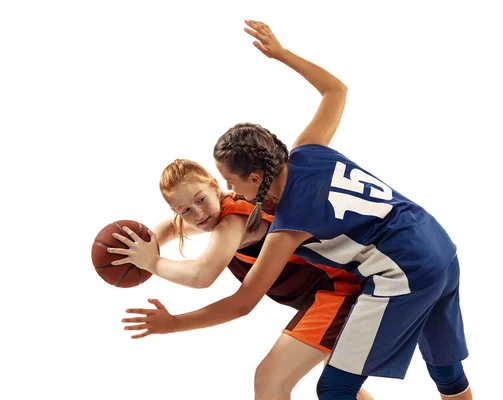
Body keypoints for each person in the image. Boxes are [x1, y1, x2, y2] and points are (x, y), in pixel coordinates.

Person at [123, 20, 472, 399]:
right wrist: (282, 54)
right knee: (446, 371)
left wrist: (157, 280)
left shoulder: (288, 224)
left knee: (336, 388)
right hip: (437, 242)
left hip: (403, 271)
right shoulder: (308, 149)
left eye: (230, 181)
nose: (229, 188)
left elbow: (240, 303)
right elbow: (335, 90)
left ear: (255, 178)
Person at [108, 158, 374, 400]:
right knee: (341, 389)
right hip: (332, 296)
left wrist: (152, 263)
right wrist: (150, 242)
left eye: (200, 200)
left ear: (215, 186)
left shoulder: (235, 220)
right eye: (185, 210)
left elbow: (204, 276)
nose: (198, 215)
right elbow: (171, 227)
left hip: (341, 291)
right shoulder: (213, 215)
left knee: (271, 379)